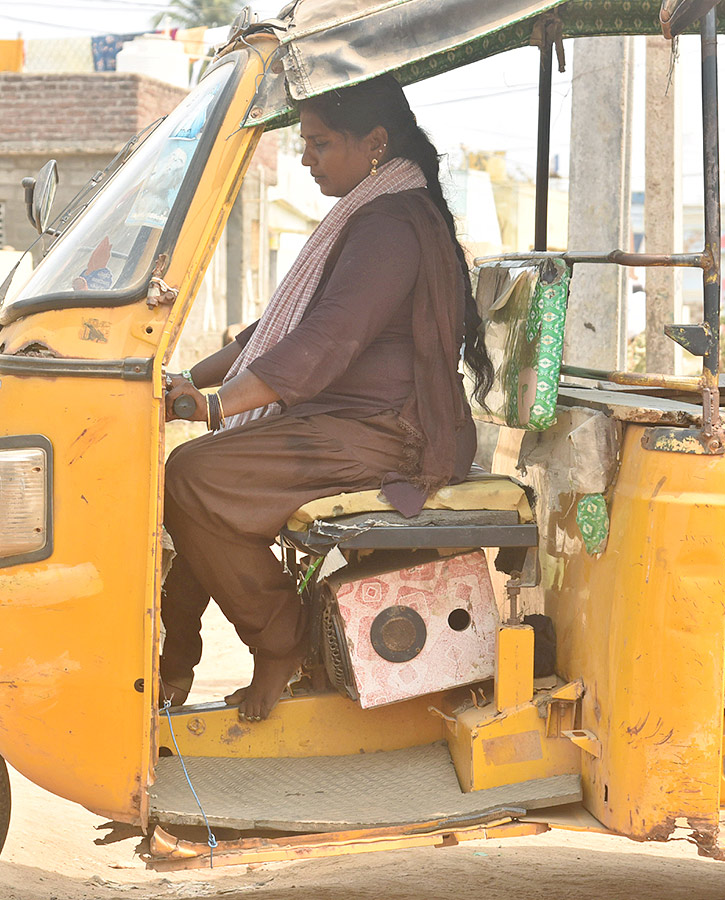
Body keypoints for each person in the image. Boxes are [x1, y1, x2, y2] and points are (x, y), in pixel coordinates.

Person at [160, 74, 495, 723]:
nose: (305, 157)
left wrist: (216, 407)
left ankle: (278, 644)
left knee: (196, 475)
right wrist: (184, 381)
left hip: (396, 435)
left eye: (318, 143)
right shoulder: (369, 214)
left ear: (373, 143)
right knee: (203, 477)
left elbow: (325, 341)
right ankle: (175, 659)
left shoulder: (392, 225)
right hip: (350, 420)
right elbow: (270, 337)